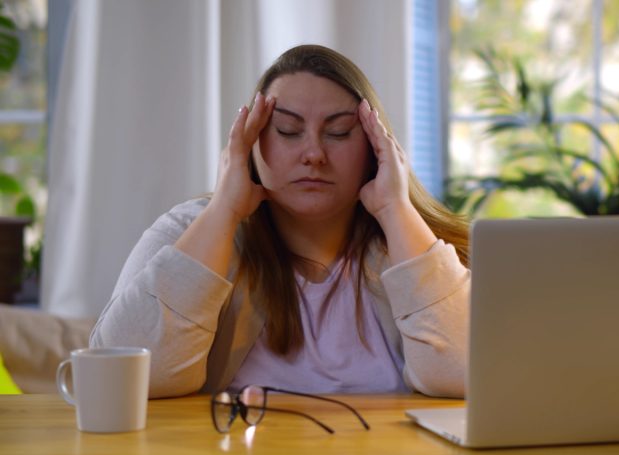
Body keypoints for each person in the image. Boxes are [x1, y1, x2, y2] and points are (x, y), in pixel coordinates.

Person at [90, 44, 470, 399]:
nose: (314, 154)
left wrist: (395, 209)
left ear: (375, 146)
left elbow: (461, 375)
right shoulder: (187, 231)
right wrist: (224, 209)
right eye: (288, 131)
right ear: (251, 141)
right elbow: (119, 382)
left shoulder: (417, 245)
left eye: (338, 132)